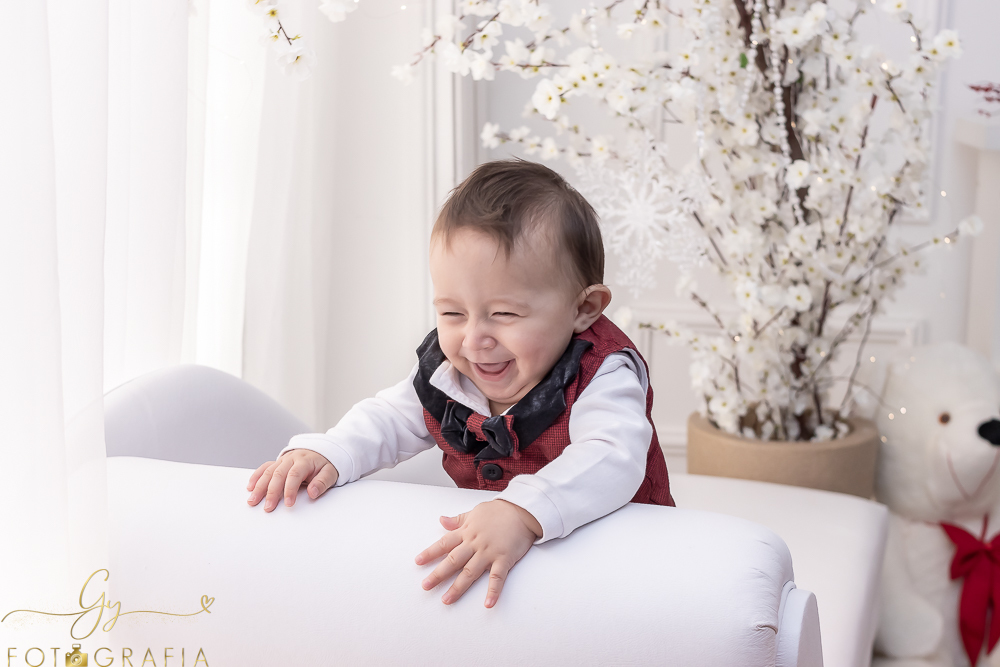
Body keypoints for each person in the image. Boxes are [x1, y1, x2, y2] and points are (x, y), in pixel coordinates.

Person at [246, 158, 674, 609]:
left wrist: (523, 510)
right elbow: (390, 418)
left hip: (622, 559)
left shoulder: (603, 373)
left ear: (584, 308)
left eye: (505, 314)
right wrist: (331, 451)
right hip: (517, 572)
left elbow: (613, 456)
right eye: (452, 313)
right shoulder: (450, 371)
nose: (474, 339)